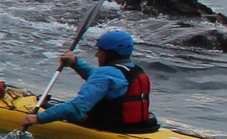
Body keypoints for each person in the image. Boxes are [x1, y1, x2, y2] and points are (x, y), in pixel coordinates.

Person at [25, 28, 158, 133]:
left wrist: (38, 118)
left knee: (62, 108)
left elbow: (77, 108)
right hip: (139, 127)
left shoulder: (105, 75)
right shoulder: (133, 70)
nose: (96, 54)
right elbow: (101, 80)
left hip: (110, 126)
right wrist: (75, 63)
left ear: (109, 53)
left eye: (99, 50)